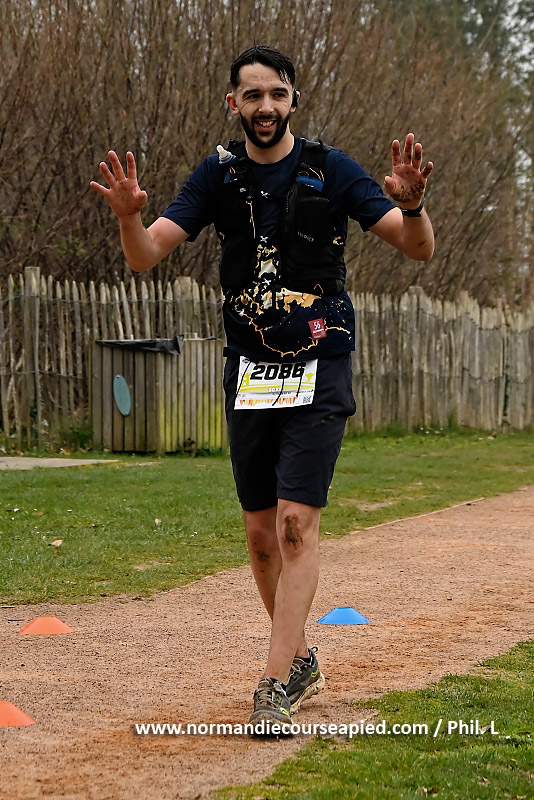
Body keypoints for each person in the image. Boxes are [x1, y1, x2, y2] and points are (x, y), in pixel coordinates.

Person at [91, 44, 434, 734]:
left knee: (295, 524)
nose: (266, 107)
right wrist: (129, 215)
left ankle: (273, 685)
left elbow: (416, 246)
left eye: (277, 94)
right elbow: (145, 254)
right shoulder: (217, 175)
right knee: (259, 537)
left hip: (320, 360)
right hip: (251, 367)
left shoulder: (333, 170)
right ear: (233, 105)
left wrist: (415, 205)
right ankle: (301, 660)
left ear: (294, 100)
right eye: (252, 96)